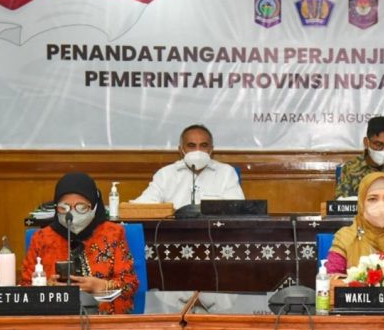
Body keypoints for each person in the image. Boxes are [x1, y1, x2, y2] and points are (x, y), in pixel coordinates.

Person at [22, 172, 139, 314]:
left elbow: (130, 284)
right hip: (55, 320)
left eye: (81, 207)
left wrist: (101, 285)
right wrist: (48, 288)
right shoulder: (41, 238)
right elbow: (25, 290)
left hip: (103, 321)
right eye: (64, 207)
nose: (72, 214)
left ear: (94, 206)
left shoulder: (113, 234)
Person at [133, 124, 244, 209]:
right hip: (175, 230)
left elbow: (237, 209)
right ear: (181, 150)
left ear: (211, 149)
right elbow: (142, 206)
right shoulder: (165, 174)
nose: (198, 150)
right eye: (191, 146)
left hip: (216, 230)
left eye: (203, 145)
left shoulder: (226, 172)